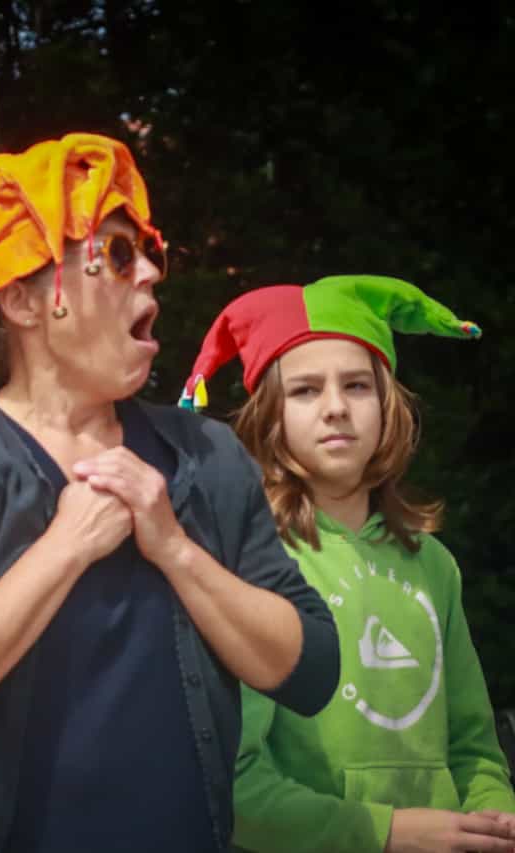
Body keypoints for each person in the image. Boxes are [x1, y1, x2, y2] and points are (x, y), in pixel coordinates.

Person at [0, 132, 341, 853]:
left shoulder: (205, 455)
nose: (149, 273)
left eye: (149, 252)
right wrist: (67, 546)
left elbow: (311, 669)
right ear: (22, 301)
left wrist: (175, 548)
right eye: (116, 254)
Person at [180, 275, 515, 852]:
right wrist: (386, 833)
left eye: (357, 385)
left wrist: (496, 816)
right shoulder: (245, 563)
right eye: (305, 390)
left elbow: (475, 749)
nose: (336, 408)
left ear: (388, 406)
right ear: (270, 415)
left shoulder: (434, 563)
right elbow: (233, 783)